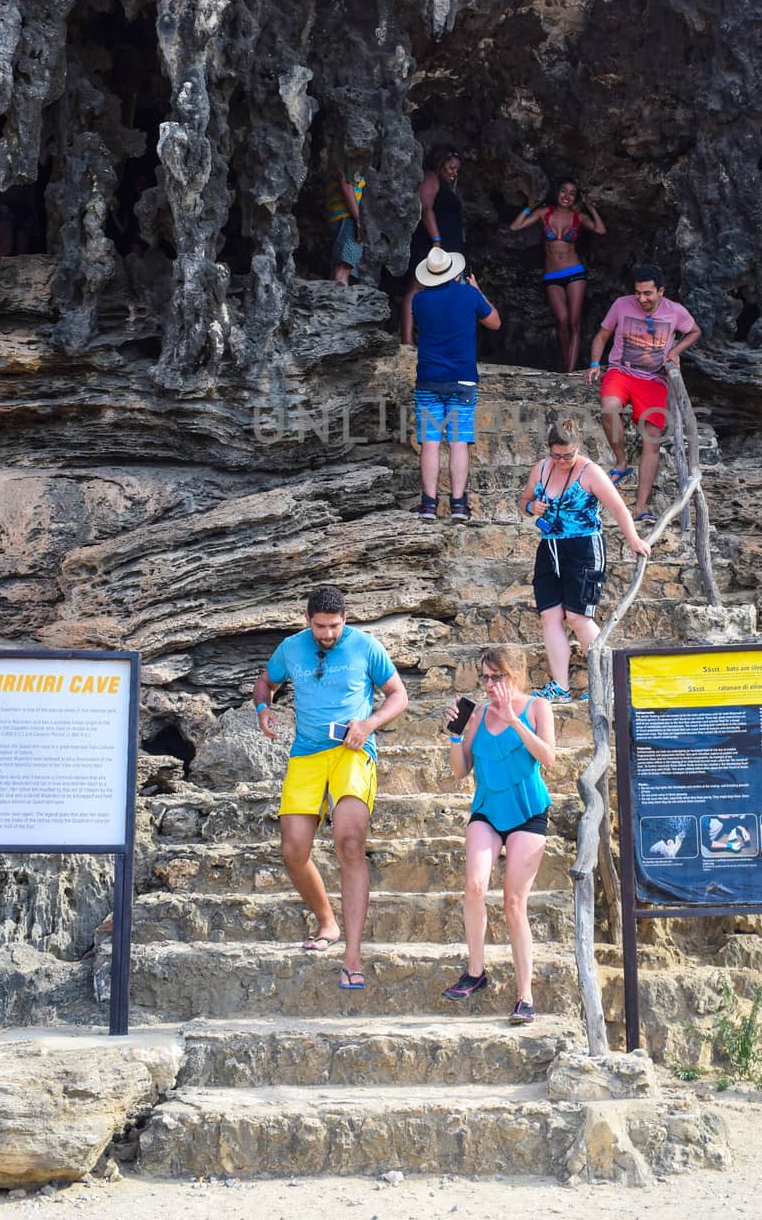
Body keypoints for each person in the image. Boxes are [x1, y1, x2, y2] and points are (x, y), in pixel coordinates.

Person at [252, 584, 409, 992]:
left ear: (345, 620)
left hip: (351, 751)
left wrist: (368, 724)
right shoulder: (290, 648)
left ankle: (352, 957)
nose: (327, 634)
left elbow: (398, 695)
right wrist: (263, 708)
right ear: (307, 620)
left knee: (350, 842)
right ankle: (327, 921)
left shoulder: (366, 646)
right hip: (306, 754)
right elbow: (264, 683)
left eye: (334, 626)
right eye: (320, 627)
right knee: (293, 850)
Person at [441, 643, 556, 1025]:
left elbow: (548, 758)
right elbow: (461, 771)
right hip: (487, 811)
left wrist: (513, 719)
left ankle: (525, 995)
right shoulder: (476, 715)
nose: (489, 685)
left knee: (513, 903)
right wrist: (455, 737)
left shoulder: (537, 707)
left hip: (528, 813)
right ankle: (476, 972)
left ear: (515, 675)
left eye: (497, 677)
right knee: (474, 887)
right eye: (485, 677)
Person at [519, 417, 650, 700]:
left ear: (577, 448)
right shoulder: (541, 469)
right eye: (556, 455)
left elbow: (617, 507)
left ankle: (607, 686)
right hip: (550, 548)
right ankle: (561, 686)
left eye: (568, 455)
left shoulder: (590, 472)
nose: (562, 461)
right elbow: (524, 501)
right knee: (550, 615)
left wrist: (634, 540)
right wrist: (532, 506)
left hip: (584, 547)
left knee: (578, 616)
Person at [585, 264, 701, 524]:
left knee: (652, 441)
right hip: (622, 371)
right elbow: (602, 335)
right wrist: (594, 364)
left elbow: (695, 331)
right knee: (609, 406)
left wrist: (675, 351)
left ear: (661, 291)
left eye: (648, 293)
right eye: (638, 293)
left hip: (654, 379)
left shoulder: (675, 312)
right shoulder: (621, 305)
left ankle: (639, 508)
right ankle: (621, 462)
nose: (642, 299)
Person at [411, 244, 501, 522]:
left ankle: (428, 505)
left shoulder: (419, 301)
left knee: (430, 442)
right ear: (456, 273)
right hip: (462, 378)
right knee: (459, 442)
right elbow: (495, 323)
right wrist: (477, 291)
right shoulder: (469, 295)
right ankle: (459, 506)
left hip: (429, 379)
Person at [508, 177, 606, 370]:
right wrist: (530, 206)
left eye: (572, 193)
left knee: (575, 321)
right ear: (557, 192)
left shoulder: (578, 217)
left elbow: (601, 230)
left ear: (576, 198)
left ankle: (570, 370)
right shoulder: (545, 213)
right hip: (552, 275)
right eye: (564, 191)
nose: (567, 196)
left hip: (575, 272)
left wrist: (591, 208)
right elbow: (515, 226)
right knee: (562, 319)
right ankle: (566, 359)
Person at [400, 149, 465, 344]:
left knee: (448, 292)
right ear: (440, 163)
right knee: (417, 288)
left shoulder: (446, 184)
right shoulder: (431, 177)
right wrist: (436, 240)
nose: (454, 172)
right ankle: (407, 339)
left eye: (457, 170)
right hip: (433, 244)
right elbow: (425, 206)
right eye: (452, 167)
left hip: (450, 248)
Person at [326, 157, 366, 285]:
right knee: (343, 269)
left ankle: (331, 303)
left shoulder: (342, 160)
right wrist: (359, 221)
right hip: (348, 219)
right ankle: (340, 303)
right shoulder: (345, 160)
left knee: (338, 268)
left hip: (341, 218)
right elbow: (347, 186)